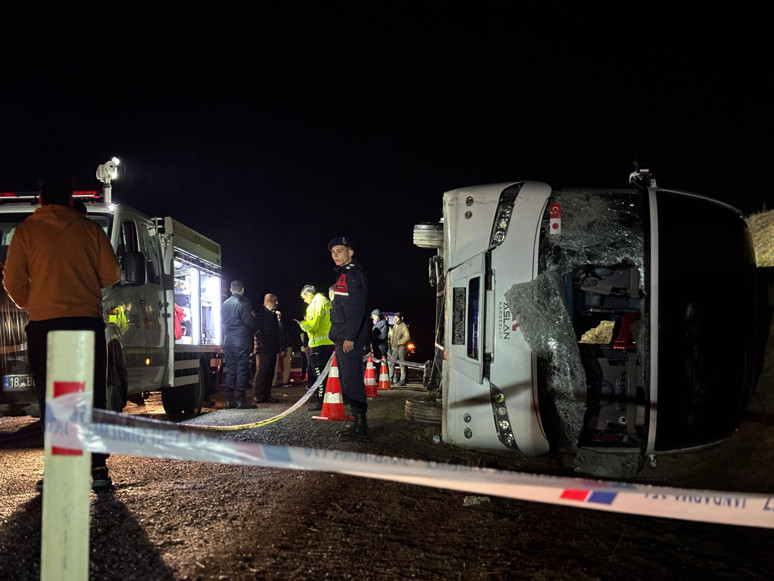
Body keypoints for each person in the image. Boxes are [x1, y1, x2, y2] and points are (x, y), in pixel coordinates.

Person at [2, 174, 122, 491]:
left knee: (53, 398)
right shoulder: (90, 230)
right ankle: (98, 469)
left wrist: (36, 302)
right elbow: (111, 273)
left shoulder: (26, 231)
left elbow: (12, 281)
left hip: (44, 325)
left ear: (41, 200)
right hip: (86, 321)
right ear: (71, 199)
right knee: (92, 395)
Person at [327, 236, 370, 440]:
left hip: (348, 336)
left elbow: (356, 308)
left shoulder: (352, 274)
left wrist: (350, 337)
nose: (335, 255)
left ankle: (361, 427)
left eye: (340, 251)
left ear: (350, 252)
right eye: (333, 252)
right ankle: (357, 423)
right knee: (348, 379)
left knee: (352, 379)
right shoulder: (345, 273)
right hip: (343, 335)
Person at [221, 280, 260, 409]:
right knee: (242, 370)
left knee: (231, 371)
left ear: (231, 290)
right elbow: (251, 323)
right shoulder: (244, 303)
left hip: (228, 341)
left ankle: (229, 400)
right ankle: (241, 400)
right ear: (242, 289)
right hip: (242, 341)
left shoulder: (224, 304)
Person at [295, 284, 334, 411]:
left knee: (319, 376)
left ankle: (321, 401)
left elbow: (312, 326)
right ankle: (330, 399)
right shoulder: (326, 302)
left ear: (308, 294)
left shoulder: (314, 305)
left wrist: (302, 324)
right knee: (328, 374)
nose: (304, 301)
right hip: (329, 343)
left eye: (304, 298)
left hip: (318, 345)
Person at [253, 293, 280, 404]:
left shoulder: (273, 314)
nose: (276, 303)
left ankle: (267, 394)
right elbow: (256, 330)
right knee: (262, 372)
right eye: (274, 300)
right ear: (267, 301)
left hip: (272, 348)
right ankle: (258, 395)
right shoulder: (260, 314)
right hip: (263, 348)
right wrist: (263, 341)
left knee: (270, 372)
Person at [388, 311, 411, 386]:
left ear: (400, 318)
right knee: (391, 362)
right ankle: (390, 379)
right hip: (395, 348)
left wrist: (399, 342)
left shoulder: (403, 326)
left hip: (401, 348)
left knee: (402, 363)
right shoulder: (395, 326)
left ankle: (402, 380)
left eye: (397, 318)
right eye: (394, 317)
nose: (395, 319)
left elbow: (407, 337)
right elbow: (392, 336)